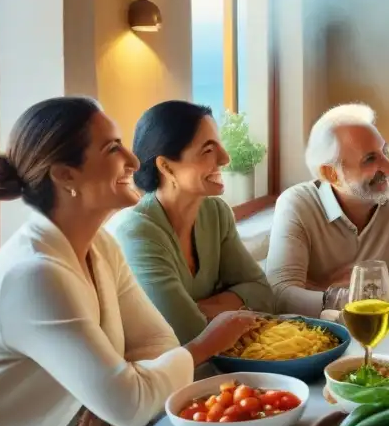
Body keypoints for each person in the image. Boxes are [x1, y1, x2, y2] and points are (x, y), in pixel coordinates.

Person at [0, 97, 255, 426]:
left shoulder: (99, 247)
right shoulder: (34, 273)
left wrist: (124, 395)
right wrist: (204, 346)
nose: (133, 160)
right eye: (113, 148)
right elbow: (131, 399)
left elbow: (154, 343)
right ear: (64, 175)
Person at [109, 101, 274, 343]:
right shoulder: (136, 232)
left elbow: (262, 292)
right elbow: (185, 333)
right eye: (208, 150)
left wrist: (199, 309)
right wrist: (229, 305)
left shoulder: (216, 212)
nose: (225, 158)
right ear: (166, 166)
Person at [266, 103, 389, 317]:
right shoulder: (296, 203)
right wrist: (350, 296)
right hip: (324, 334)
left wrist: (326, 292)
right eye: (370, 159)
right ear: (330, 174)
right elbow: (280, 295)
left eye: (385, 151)